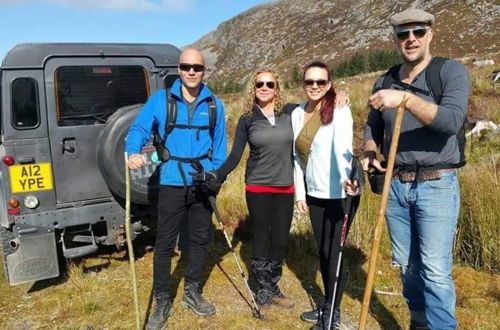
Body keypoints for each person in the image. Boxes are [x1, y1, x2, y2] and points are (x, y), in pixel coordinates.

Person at [362, 8, 470, 330]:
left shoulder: (450, 72)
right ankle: (419, 323)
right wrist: (369, 150)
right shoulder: (385, 80)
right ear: (396, 39)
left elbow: (450, 121)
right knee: (407, 267)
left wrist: (406, 100)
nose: (410, 39)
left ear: (430, 34)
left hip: (437, 185)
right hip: (395, 186)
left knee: (435, 270)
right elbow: (371, 124)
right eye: (402, 34)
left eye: (418, 32)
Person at [126, 48, 227, 330]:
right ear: (179, 70)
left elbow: (220, 146)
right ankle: (162, 299)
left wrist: (216, 176)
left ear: (204, 70)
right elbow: (139, 129)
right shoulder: (161, 101)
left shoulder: (215, 105)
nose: (191, 71)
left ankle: (192, 292)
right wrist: (132, 151)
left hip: (202, 181)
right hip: (171, 180)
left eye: (197, 67)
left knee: (198, 239)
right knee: (165, 243)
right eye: (186, 66)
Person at [215, 69, 296, 312]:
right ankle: (264, 289)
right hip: (258, 186)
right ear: (253, 87)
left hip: (286, 186)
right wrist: (218, 175)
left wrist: (341, 95)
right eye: (259, 83)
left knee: (280, 239)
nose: (264, 87)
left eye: (269, 84)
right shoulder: (247, 119)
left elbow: (319, 102)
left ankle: (272, 282)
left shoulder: (291, 112)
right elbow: (235, 155)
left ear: (276, 88)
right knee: (261, 235)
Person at [292, 61, 359, 330]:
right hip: (315, 193)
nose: (315, 86)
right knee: (323, 251)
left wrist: (347, 181)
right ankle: (327, 305)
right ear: (303, 84)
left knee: (335, 255)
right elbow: (296, 157)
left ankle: (332, 315)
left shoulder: (339, 109)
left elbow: (343, 148)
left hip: (339, 194)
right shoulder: (297, 113)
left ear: (330, 84)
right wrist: (301, 192)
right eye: (310, 82)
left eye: (321, 82)